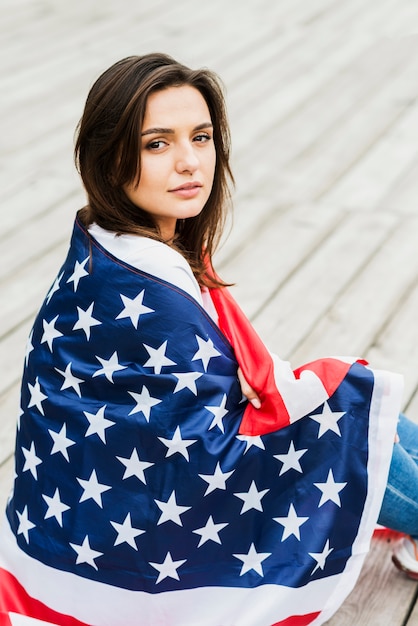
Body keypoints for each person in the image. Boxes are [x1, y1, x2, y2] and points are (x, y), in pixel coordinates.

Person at [0, 53, 417, 626]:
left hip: (103, 495)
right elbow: (188, 431)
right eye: (157, 144)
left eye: (201, 137)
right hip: (138, 518)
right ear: (107, 156)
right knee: (344, 414)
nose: (190, 162)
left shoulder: (110, 244)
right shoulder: (142, 284)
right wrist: (300, 394)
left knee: (367, 411)